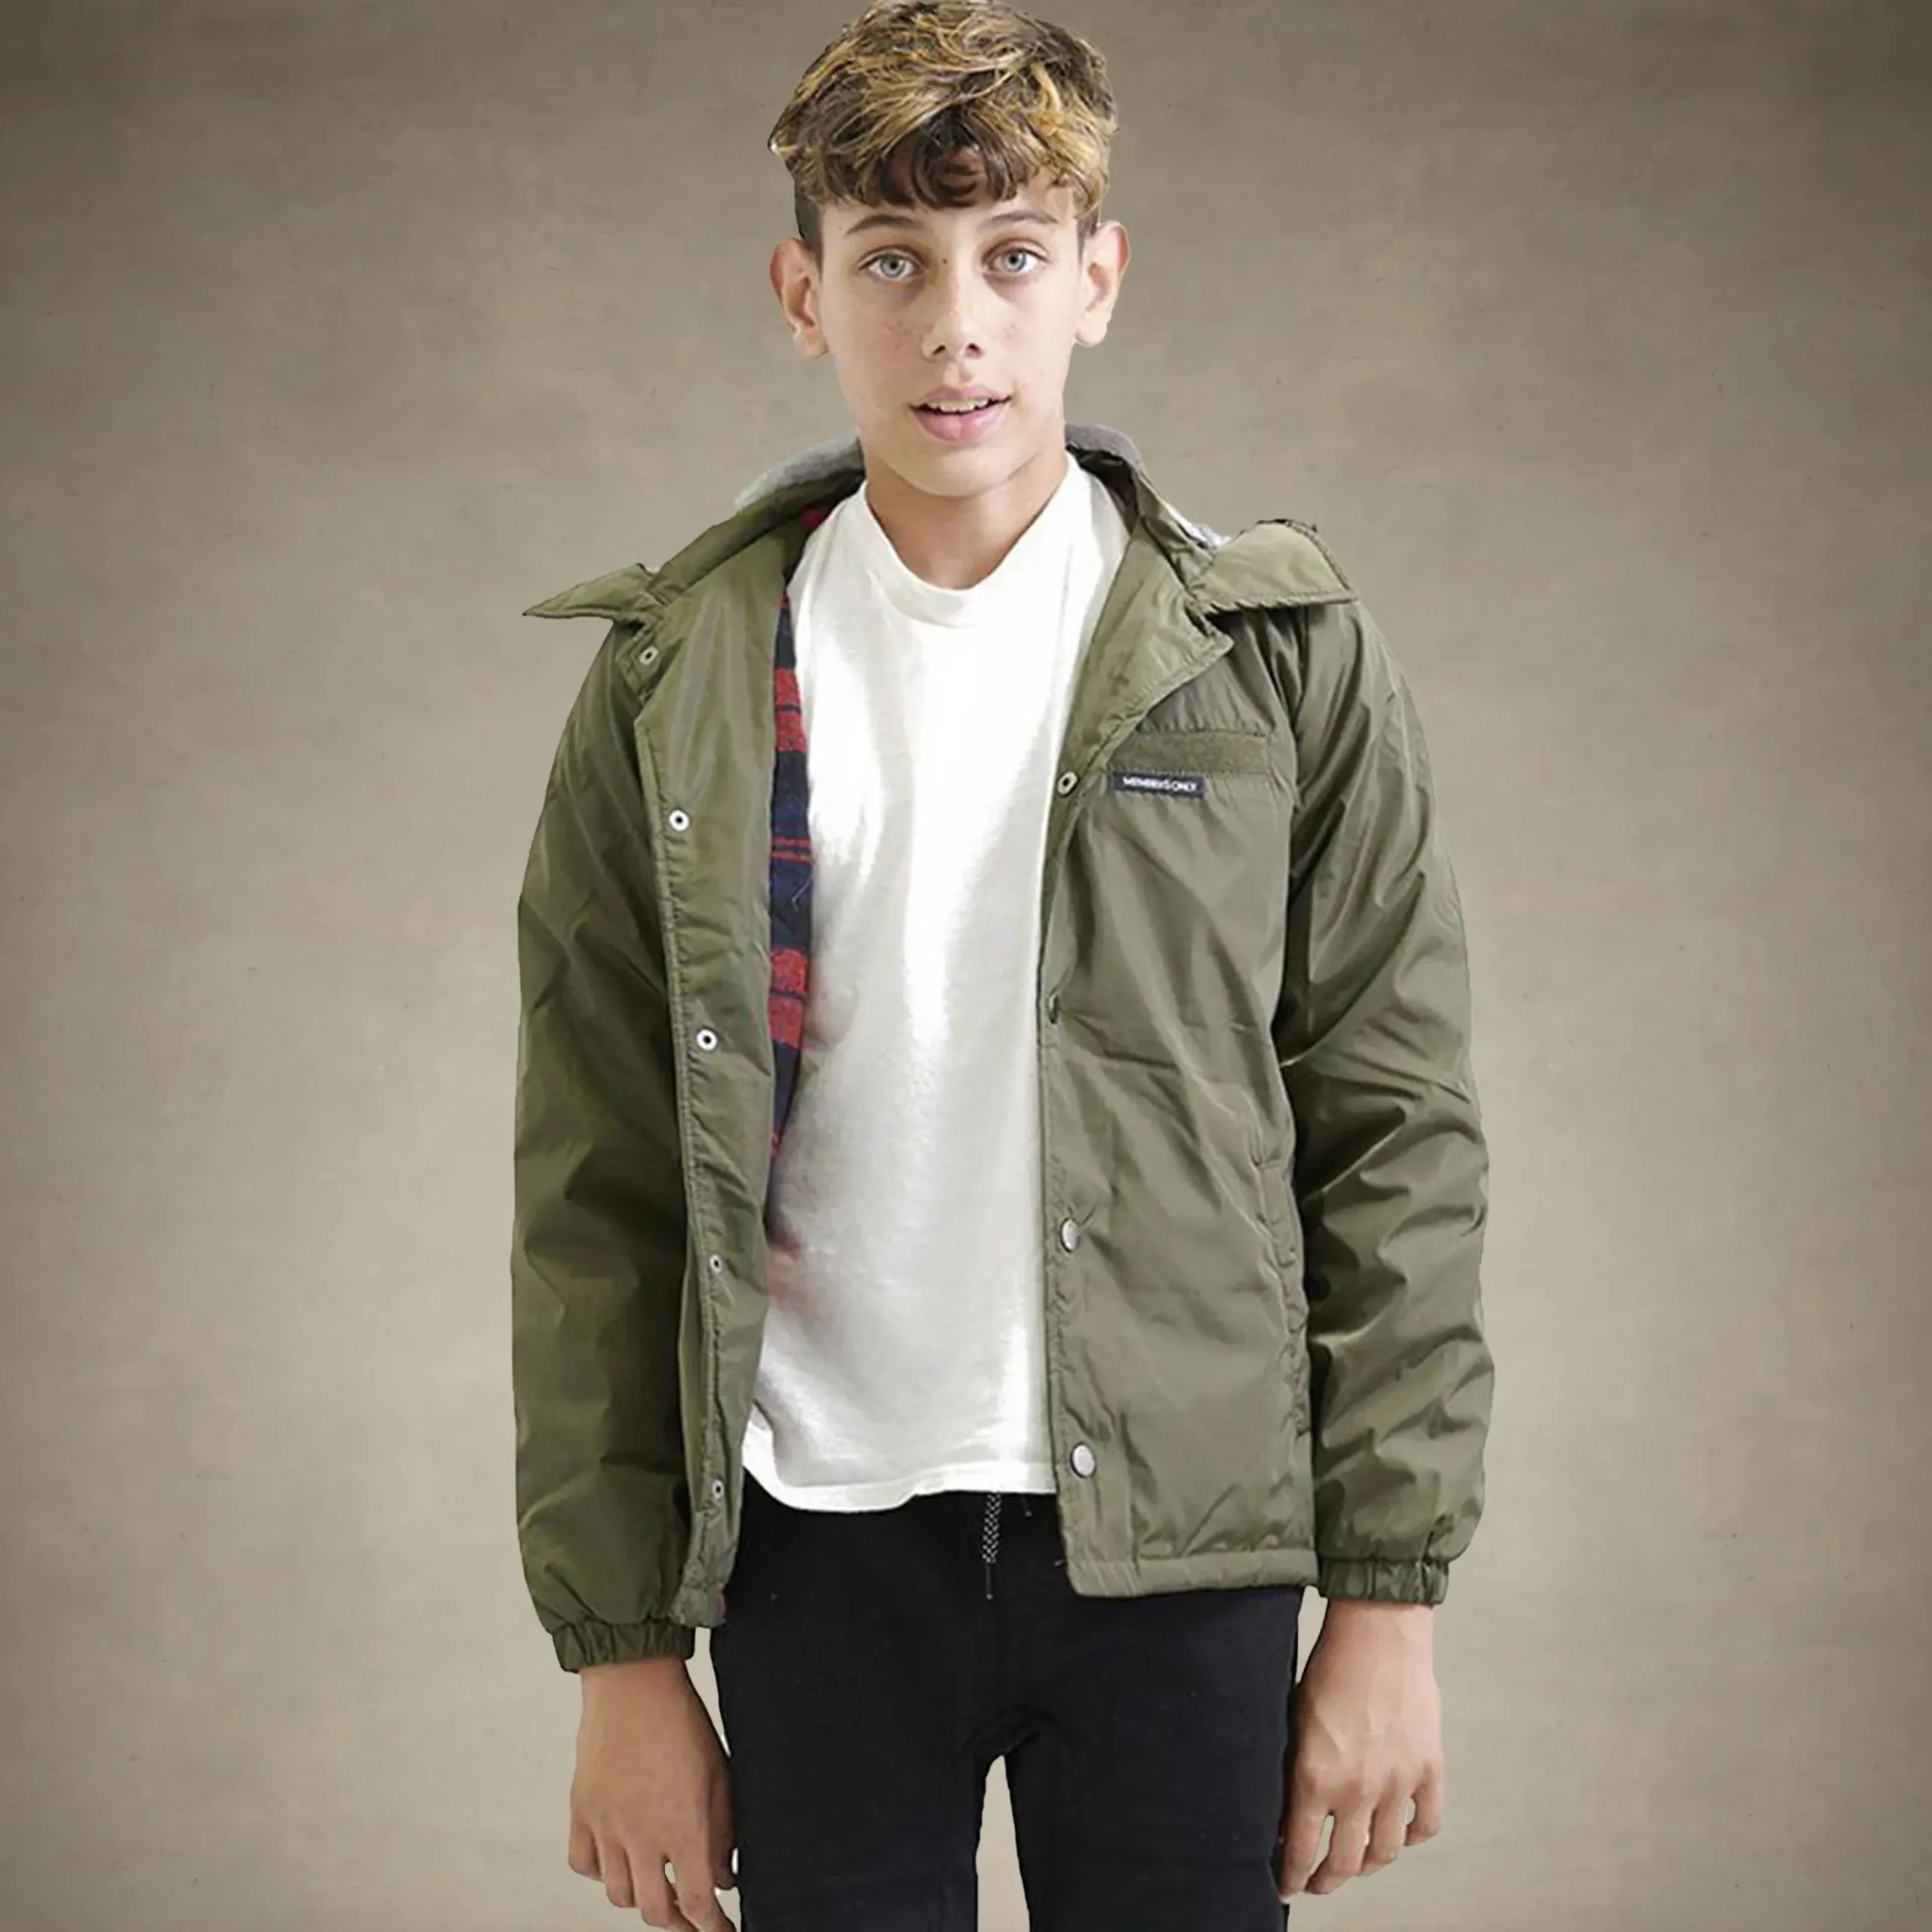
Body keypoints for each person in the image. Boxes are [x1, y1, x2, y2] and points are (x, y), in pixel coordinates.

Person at [509, 4, 1495, 1927]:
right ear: (804, 294)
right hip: (810, 1547)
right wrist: (621, 1653)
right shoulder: (672, 681)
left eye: (1012, 256)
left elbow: (1394, 1139)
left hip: (1180, 1551)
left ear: (1095, 280)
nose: (955, 323)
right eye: (892, 261)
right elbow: (597, 1187)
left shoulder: (1275, 657)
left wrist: (1386, 1602)